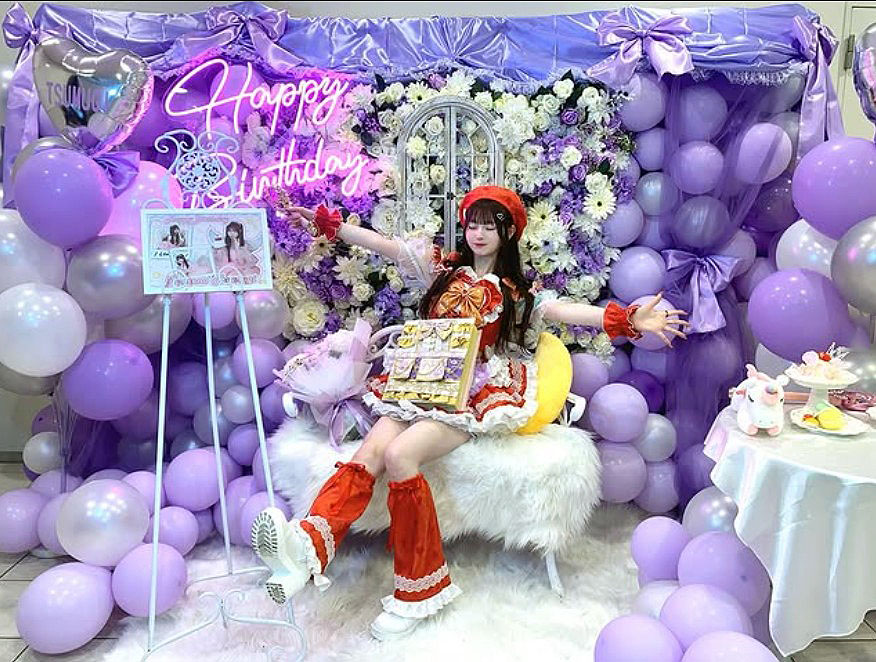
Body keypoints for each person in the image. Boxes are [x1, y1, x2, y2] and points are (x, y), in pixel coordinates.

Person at [252, 186, 688, 641]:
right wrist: (327, 224)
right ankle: (307, 549)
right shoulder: (442, 269)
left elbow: (568, 311)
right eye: (472, 223)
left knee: (400, 455)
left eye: (489, 225)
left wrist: (627, 319)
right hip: (419, 381)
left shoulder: (519, 293)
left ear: (508, 232)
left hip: (469, 395)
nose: (478, 233)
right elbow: (382, 245)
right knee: (370, 453)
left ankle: (420, 590)